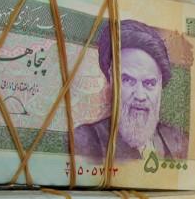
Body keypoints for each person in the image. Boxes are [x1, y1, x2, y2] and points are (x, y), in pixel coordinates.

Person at [74, 20, 188, 162]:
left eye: (149, 83)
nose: (140, 96)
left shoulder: (180, 139)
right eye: (128, 80)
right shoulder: (85, 140)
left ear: (160, 85)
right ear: (111, 79)